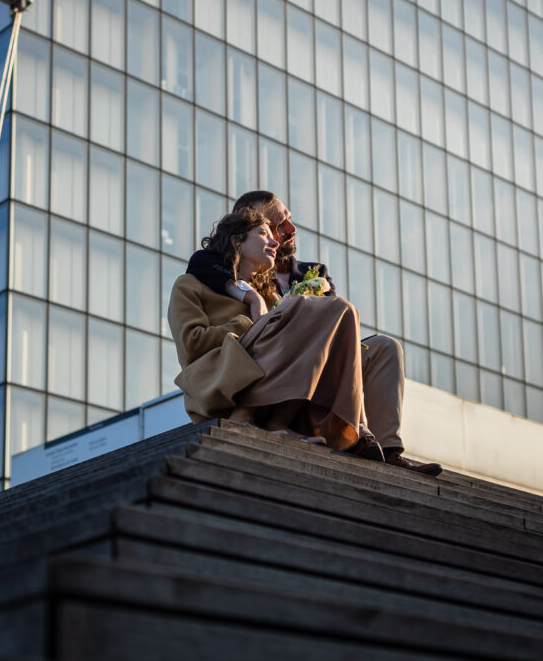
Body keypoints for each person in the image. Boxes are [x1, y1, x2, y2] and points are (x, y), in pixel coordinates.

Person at [186, 190, 442, 477]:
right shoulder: (238, 273)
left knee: (384, 347)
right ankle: (357, 433)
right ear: (243, 232)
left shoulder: (309, 271)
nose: (289, 231)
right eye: (275, 226)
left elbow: (332, 320)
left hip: (315, 356)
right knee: (325, 311)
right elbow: (203, 263)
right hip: (268, 362)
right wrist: (254, 305)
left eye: (288, 222)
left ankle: (390, 450)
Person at [168, 207, 370, 452]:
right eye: (263, 233)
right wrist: (249, 324)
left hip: (263, 370)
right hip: (219, 378)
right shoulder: (190, 285)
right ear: (237, 241)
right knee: (316, 309)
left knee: (343, 312)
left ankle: (281, 421)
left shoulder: (268, 293)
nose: (275, 241)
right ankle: (246, 416)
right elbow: (191, 343)